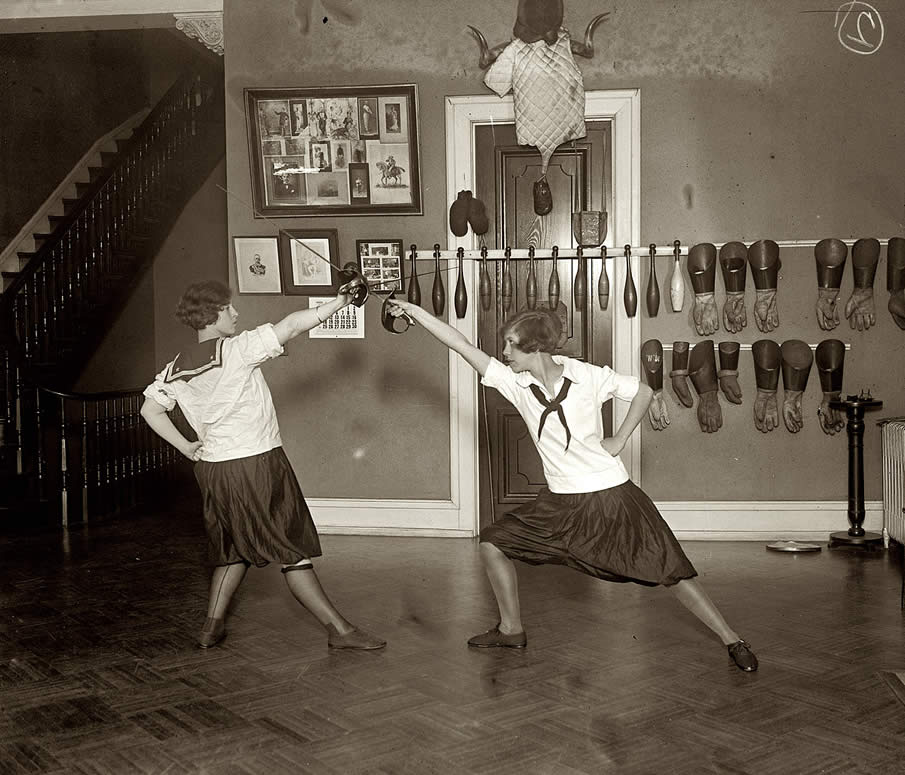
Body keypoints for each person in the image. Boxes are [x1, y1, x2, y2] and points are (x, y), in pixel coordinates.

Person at [386, 301, 758, 672]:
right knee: (493, 542)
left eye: (510, 344)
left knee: (672, 571)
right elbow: (461, 345)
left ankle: (733, 640)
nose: (503, 353)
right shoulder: (516, 384)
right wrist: (413, 312)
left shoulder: (587, 376)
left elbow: (643, 391)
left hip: (612, 496)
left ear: (534, 347)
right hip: (559, 505)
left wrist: (619, 439)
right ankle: (511, 629)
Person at [141, 280, 385, 652]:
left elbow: (150, 409)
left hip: (213, 469)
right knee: (291, 550)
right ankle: (341, 632)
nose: (235, 314)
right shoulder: (237, 349)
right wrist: (338, 303)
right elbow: (290, 326)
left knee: (234, 550)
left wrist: (188, 447)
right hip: (256, 462)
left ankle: (210, 628)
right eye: (228, 308)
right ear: (211, 313)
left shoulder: (175, 367)